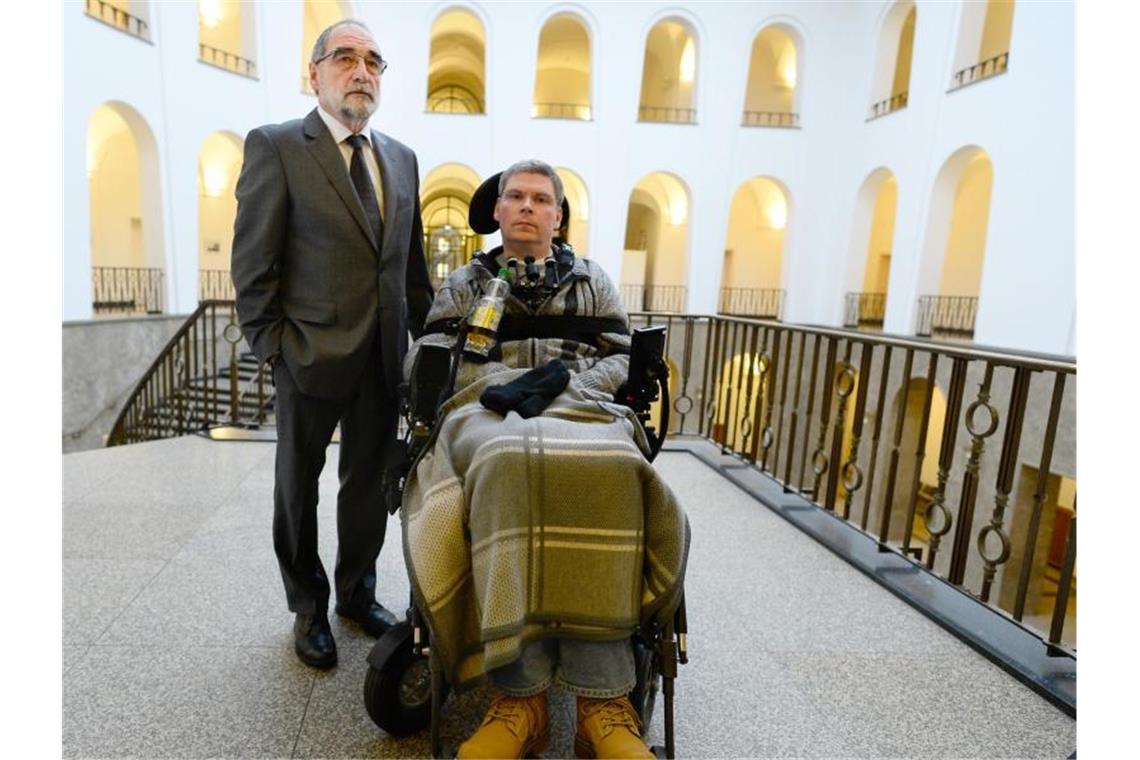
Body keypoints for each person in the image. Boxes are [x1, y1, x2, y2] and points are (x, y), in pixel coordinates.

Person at [401, 160, 689, 759]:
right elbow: (428, 357)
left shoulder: (594, 281)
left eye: (540, 199)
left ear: (558, 216)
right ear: (498, 211)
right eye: (515, 196)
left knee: (614, 467)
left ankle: (601, 704)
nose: (528, 206)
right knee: (509, 459)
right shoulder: (464, 283)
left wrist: (566, 386)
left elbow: (624, 357)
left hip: (582, 404)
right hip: (486, 411)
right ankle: (521, 700)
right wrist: (506, 385)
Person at [231, 19, 433, 669]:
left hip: (382, 358)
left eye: (374, 60)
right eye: (344, 57)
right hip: (309, 356)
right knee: (297, 489)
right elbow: (253, 265)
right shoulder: (278, 146)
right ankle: (308, 605)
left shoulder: (401, 158)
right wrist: (274, 351)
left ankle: (355, 593)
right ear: (313, 74)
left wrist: (425, 347)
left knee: (369, 486)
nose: (361, 70)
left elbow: (412, 271)